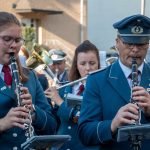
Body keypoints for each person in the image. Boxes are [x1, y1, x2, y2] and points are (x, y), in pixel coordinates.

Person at [78, 14, 150, 150]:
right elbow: (85, 133)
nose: (135, 49)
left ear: (148, 44)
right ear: (117, 43)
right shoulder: (97, 80)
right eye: (129, 43)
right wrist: (112, 124)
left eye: (141, 43)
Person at [0, 11, 57, 149]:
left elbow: (51, 127)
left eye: (18, 40)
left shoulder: (30, 76)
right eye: (7, 39)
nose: (13, 45)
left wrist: (33, 112)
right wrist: (3, 124)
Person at [45, 40, 100, 150]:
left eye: (92, 63)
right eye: (83, 64)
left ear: (98, 63)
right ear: (76, 65)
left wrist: (59, 102)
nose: (88, 68)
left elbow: (84, 118)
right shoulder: (65, 87)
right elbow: (55, 122)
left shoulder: (102, 91)